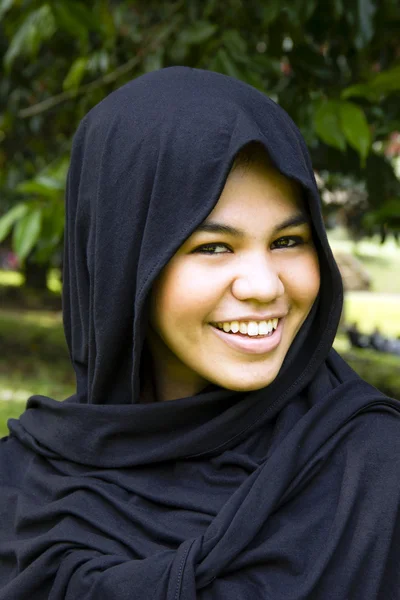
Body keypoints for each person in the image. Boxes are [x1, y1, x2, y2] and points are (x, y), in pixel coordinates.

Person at [1, 67, 400, 599]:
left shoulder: (373, 475)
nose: (263, 286)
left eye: (287, 241)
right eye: (213, 247)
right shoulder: (21, 483)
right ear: (124, 263)